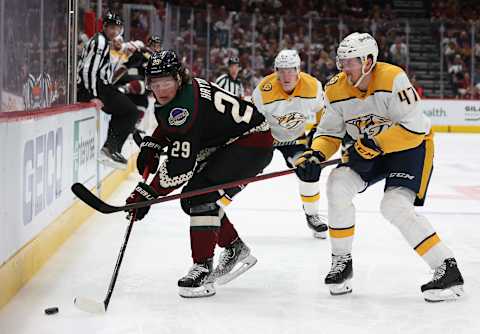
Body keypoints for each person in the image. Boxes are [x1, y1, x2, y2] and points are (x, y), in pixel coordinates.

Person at [295, 32, 464, 302]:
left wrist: (373, 144)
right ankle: (342, 262)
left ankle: (447, 269)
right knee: (337, 184)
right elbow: (329, 133)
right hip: (371, 148)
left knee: (394, 205)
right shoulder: (335, 89)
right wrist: (315, 154)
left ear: (369, 61)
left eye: (351, 61)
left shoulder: (393, 78)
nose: (344, 67)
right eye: (342, 61)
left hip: (410, 148)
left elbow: (414, 128)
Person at [126, 50, 274, 298]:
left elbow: (180, 167)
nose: (161, 89)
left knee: (198, 195)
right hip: (236, 141)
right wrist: (154, 142)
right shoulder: (185, 91)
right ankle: (234, 247)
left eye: (167, 82)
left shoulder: (183, 106)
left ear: (178, 78)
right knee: (192, 199)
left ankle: (203, 267)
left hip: (250, 144)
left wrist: (147, 193)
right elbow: (172, 126)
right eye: (155, 83)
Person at [252, 49, 328, 239]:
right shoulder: (263, 90)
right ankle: (217, 209)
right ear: (276, 71)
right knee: (244, 169)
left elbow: (323, 113)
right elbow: (251, 119)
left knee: (309, 169)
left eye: (291, 70)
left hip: (295, 140)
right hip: (266, 139)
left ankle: (312, 215)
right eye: (282, 70)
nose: (286, 75)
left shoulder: (313, 87)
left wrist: (317, 132)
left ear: (298, 70)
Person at [77, 12, 140, 169]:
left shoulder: (104, 41)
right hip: (97, 87)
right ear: (104, 26)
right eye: (111, 28)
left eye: (117, 28)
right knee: (131, 111)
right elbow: (88, 70)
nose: (114, 31)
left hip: (102, 86)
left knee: (128, 111)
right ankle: (110, 148)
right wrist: (92, 95)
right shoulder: (100, 42)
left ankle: (110, 148)